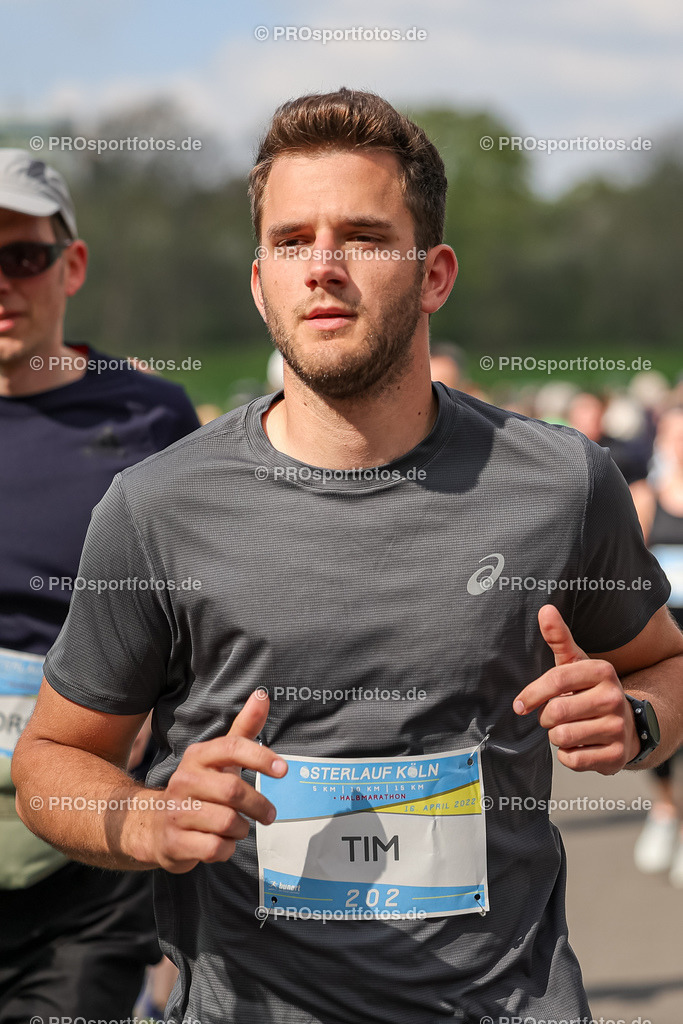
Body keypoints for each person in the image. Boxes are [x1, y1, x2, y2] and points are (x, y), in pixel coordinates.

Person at [12, 90, 683, 1024]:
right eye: (291, 241)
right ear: (258, 282)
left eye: (363, 237)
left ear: (435, 273)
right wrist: (151, 820)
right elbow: (51, 763)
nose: (322, 267)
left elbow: (662, 661)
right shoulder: (158, 507)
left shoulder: (561, 482)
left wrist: (639, 720)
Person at [0, 148, 200, 1020]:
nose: (2, 284)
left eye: (22, 257)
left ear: (70, 264)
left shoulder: (150, 414)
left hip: (89, 828)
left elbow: (195, 608)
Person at [630, 405, 683, 885]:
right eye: (674, 435)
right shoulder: (646, 497)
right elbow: (627, 566)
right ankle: (665, 809)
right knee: (657, 717)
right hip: (665, 628)